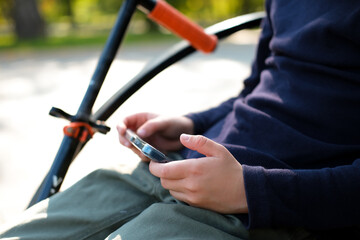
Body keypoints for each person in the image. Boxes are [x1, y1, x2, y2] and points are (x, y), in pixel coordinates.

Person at [1, 0, 360, 239]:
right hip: (178, 169)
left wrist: (252, 191)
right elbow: (256, 89)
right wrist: (189, 124)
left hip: (270, 204)